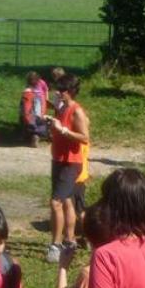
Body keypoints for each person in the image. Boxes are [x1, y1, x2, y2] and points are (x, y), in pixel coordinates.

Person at [47, 73, 90, 262]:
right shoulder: (61, 107)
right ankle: (70, 240)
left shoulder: (76, 111)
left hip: (71, 162)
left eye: (62, 90)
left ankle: (55, 246)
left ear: (70, 92)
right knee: (66, 201)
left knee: (55, 202)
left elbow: (84, 137)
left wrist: (62, 130)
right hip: (58, 158)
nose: (58, 92)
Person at [20, 70, 49, 146]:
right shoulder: (30, 87)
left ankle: (31, 135)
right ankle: (33, 135)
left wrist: (46, 98)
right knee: (34, 119)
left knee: (33, 118)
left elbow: (46, 90)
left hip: (36, 102)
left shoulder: (40, 83)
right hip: (35, 101)